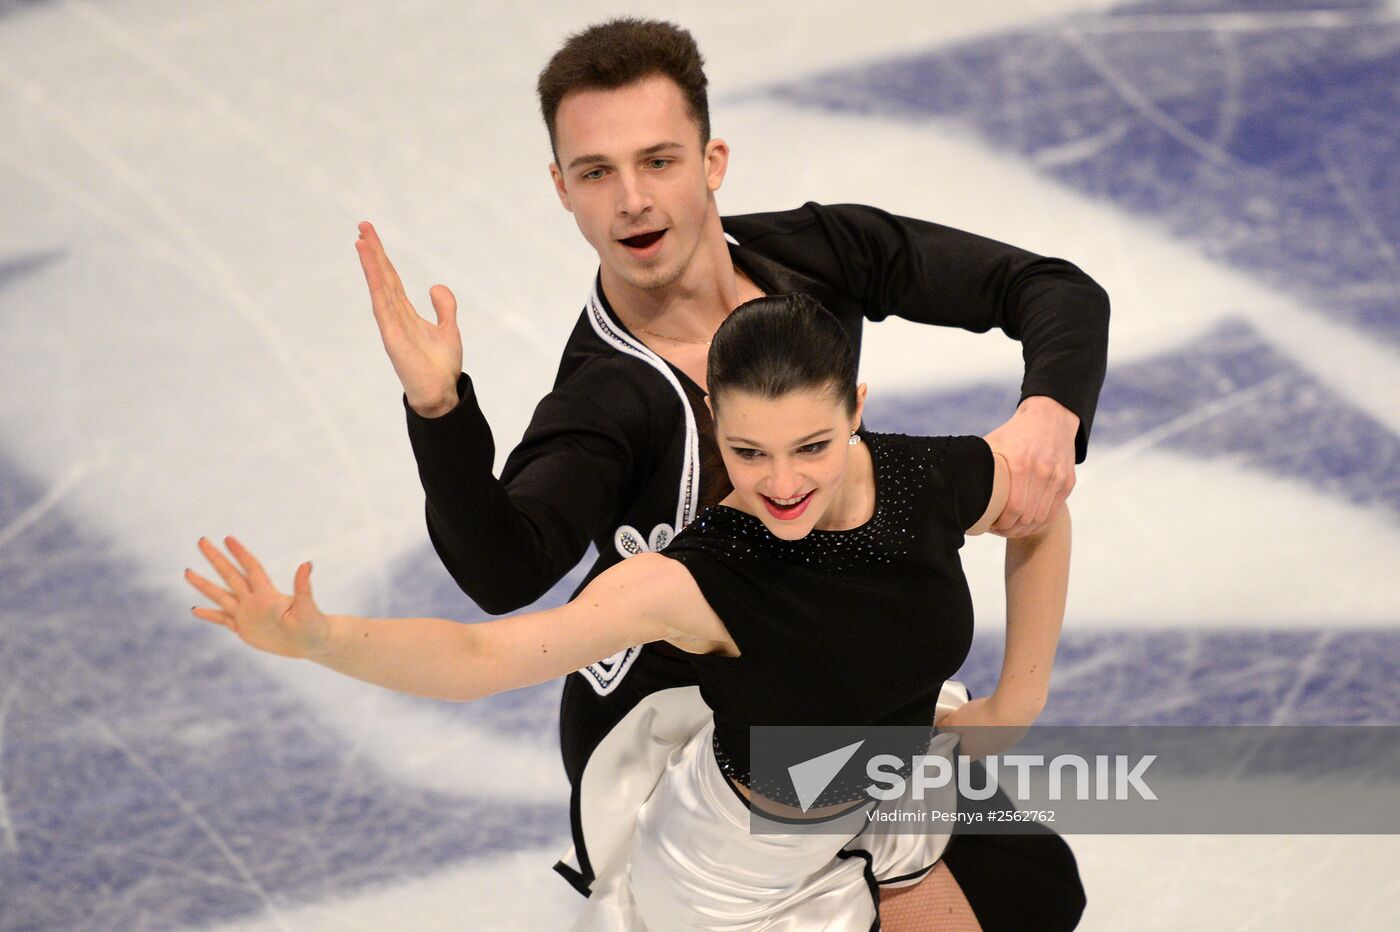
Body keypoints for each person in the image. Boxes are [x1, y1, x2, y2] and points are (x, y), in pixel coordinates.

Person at [360, 16, 1104, 926]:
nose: (632, 199)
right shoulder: (611, 398)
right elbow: (506, 570)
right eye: (597, 172)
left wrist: (1047, 415)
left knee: (1031, 892)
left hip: (823, 674)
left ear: (712, 161)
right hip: (677, 730)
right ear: (562, 189)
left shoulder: (816, 258)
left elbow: (1051, 290)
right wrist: (439, 413)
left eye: (658, 160)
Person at [187, 295, 1071, 929]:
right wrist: (319, 639)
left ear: (859, 411)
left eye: (813, 445)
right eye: (748, 452)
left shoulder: (923, 480)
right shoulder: (701, 574)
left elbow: (1043, 510)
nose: (785, 482)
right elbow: (480, 659)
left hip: (888, 798)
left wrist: (1015, 704)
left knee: (1038, 891)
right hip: (743, 878)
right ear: (716, 427)